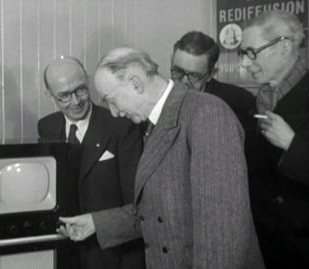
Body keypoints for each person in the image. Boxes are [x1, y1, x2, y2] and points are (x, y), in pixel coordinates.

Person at [58, 47, 265, 269]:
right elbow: (160, 212)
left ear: (135, 83)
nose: (114, 112)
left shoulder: (206, 113)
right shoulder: (153, 125)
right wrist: (97, 224)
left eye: (112, 100)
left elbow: (222, 233)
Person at [39, 56, 145, 269]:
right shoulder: (46, 126)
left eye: (80, 90)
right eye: (64, 96)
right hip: (65, 252)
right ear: (50, 96)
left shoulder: (121, 125)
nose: (76, 101)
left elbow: (137, 204)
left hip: (112, 254)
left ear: (88, 83)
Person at [239, 10, 309, 268]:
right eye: (242, 54)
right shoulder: (254, 103)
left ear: (284, 47)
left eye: (251, 52)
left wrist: (292, 146)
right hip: (259, 247)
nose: (245, 64)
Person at [171, 31, 259, 173]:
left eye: (194, 75)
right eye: (178, 72)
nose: (183, 82)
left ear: (211, 74)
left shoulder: (239, 102)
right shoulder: (161, 101)